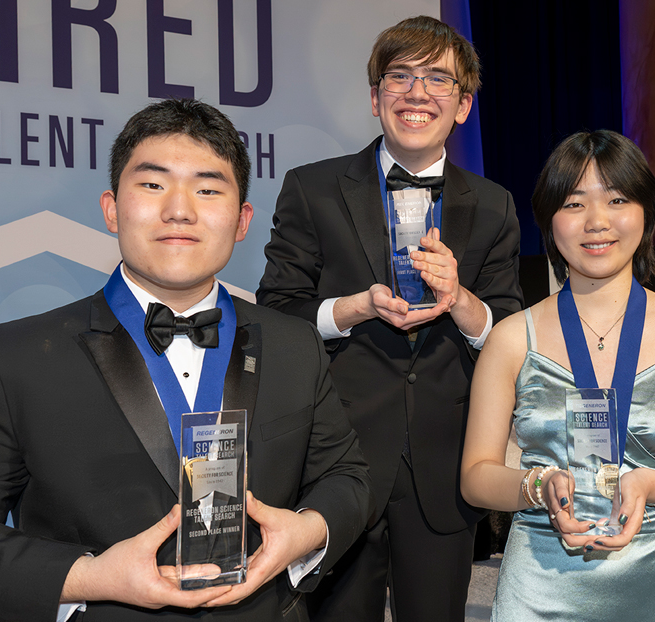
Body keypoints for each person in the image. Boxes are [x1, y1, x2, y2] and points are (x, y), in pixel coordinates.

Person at [0, 98, 372, 622]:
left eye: (208, 188)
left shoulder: (296, 344)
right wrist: (91, 576)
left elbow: (347, 476)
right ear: (112, 208)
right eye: (154, 184)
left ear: (242, 220)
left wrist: (307, 530)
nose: (180, 209)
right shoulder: (15, 358)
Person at [257, 15, 523, 622]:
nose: (417, 92)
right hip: (335, 458)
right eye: (399, 77)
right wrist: (351, 309)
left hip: (445, 458)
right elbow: (275, 313)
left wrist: (460, 299)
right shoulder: (313, 189)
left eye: (438, 79)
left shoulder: (492, 205)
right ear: (376, 98)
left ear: (462, 105)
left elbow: (508, 332)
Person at [460, 130, 655, 621]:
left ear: (646, 212)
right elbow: (475, 477)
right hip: (541, 593)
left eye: (616, 199)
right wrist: (537, 484)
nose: (596, 222)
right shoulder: (511, 338)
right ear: (549, 221)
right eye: (573, 203)